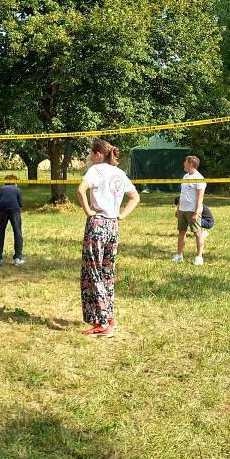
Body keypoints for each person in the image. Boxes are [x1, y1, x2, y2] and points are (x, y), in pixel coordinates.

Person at [76, 139, 140, 337]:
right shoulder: (119, 173)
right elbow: (135, 197)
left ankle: (103, 323)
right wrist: (120, 215)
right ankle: (109, 318)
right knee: (107, 273)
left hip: (97, 224)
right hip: (113, 225)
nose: (89, 157)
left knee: (93, 272)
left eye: (90, 153)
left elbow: (80, 190)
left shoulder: (97, 170)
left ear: (97, 154)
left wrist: (88, 211)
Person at [173, 155, 207, 266]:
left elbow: (200, 197)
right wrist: (178, 208)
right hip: (183, 209)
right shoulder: (185, 176)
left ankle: (199, 257)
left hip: (193, 210)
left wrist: (196, 212)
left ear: (191, 164)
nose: (184, 164)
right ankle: (179, 255)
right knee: (181, 232)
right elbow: (182, 195)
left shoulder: (199, 178)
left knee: (197, 233)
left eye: (185, 162)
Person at [0, 175, 24, 266]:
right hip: (14, 209)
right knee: (17, 232)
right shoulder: (18, 190)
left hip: (2, 209)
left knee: (0, 231)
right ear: (16, 182)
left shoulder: (1, 189)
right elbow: (20, 204)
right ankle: (18, 257)